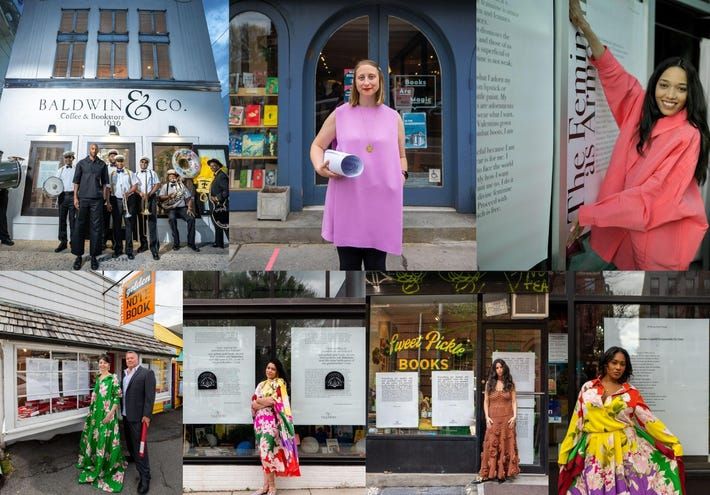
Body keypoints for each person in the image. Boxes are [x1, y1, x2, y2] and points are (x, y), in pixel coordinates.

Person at [569, 0, 710, 270]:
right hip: (616, 230)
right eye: (664, 85)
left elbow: (651, 198)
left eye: (680, 89)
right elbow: (614, 73)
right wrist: (583, 25)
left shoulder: (688, 136)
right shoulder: (641, 108)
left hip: (652, 245)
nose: (670, 95)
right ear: (654, 84)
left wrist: (591, 214)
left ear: (690, 94)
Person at [310, 59, 407, 270]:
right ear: (354, 83)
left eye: (371, 77)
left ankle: (374, 301)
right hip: (348, 197)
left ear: (380, 81)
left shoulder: (393, 118)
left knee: (377, 266)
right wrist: (320, 166)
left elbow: (401, 155)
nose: (366, 82)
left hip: (382, 200)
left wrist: (402, 176)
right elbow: (317, 145)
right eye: (360, 77)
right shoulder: (340, 114)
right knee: (348, 265)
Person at [558, 346, 685, 495]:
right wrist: (564, 454)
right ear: (606, 364)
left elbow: (650, 421)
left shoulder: (631, 393)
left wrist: (673, 442)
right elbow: (576, 423)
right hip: (595, 451)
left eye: (622, 364)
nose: (618, 367)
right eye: (614, 362)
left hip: (625, 452)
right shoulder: (588, 388)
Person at [76, 354, 127, 492]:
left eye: (104, 363)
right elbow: (95, 397)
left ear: (109, 365)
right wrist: (92, 412)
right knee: (96, 437)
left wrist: (110, 414)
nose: (102, 365)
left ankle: (106, 464)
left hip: (108, 414)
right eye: (100, 363)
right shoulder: (98, 378)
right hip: (96, 415)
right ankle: (96, 461)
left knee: (106, 438)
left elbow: (117, 397)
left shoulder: (113, 378)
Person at [251, 359, 300, 495]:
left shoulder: (279, 383)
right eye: (268, 368)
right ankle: (265, 486)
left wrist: (259, 401)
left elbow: (275, 401)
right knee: (264, 454)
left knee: (267, 452)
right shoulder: (261, 384)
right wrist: (263, 402)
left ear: (277, 371)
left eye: (273, 369)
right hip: (259, 424)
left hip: (271, 423)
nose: (269, 371)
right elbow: (253, 404)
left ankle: (272, 487)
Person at [472, 359, 520, 484]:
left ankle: (503, 473)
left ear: (504, 368)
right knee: (491, 445)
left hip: (507, 419)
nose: (499, 370)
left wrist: (514, 416)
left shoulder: (510, 383)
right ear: (494, 370)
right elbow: (486, 401)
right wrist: (487, 417)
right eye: (497, 368)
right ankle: (487, 473)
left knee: (506, 445)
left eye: (501, 367)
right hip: (493, 419)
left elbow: (514, 401)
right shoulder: (489, 383)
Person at [121, 351, 156, 495]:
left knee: (140, 446)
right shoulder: (124, 374)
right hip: (125, 415)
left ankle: (145, 477)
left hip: (138, 417)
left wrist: (147, 415)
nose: (129, 360)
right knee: (129, 442)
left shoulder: (146, 373)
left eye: (132, 358)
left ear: (137, 359)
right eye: (127, 358)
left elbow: (150, 396)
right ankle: (133, 457)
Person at [72, 143, 110, 271]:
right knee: (79, 226)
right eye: (92, 148)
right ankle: (78, 256)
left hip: (97, 200)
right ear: (90, 149)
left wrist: (104, 197)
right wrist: (75, 198)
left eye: (96, 149)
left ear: (98, 151)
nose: (94, 150)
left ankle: (94, 256)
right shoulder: (81, 163)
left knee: (96, 228)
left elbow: (105, 183)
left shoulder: (102, 165)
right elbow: (76, 182)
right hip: (83, 198)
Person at [158, 169, 200, 252]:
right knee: (172, 219)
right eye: (170, 176)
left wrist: (189, 208)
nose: (172, 178)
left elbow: (188, 198)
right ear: (168, 178)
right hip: (171, 208)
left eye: (174, 176)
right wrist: (168, 196)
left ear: (176, 177)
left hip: (182, 208)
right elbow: (160, 197)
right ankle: (176, 244)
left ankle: (191, 243)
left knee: (191, 219)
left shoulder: (182, 186)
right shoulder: (165, 186)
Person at [108, 155, 138, 259]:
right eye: (118, 161)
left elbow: (135, 186)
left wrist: (128, 192)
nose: (120, 163)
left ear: (123, 162)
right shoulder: (111, 174)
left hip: (129, 200)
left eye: (121, 161)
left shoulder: (130, 173)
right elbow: (108, 189)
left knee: (129, 226)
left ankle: (129, 251)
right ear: (115, 162)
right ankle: (117, 249)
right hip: (116, 201)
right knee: (116, 226)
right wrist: (108, 202)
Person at [136, 156, 161, 260]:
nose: (143, 164)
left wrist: (149, 193)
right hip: (139, 198)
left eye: (145, 162)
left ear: (147, 164)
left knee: (152, 223)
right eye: (142, 162)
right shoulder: (136, 174)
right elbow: (133, 186)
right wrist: (140, 193)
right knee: (141, 223)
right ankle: (143, 244)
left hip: (151, 198)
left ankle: (154, 249)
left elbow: (158, 184)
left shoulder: (152, 173)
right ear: (139, 163)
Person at [54, 150, 77, 252]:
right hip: (62, 196)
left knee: (73, 221)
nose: (68, 159)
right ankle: (63, 242)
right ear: (64, 159)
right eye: (66, 157)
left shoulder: (77, 170)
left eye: (70, 157)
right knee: (62, 220)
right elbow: (55, 183)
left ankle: (73, 242)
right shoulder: (60, 170)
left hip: (73, 196)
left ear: (73, 159)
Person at [207, 158, 229, 248]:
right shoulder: (217, 175)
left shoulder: (221, 176)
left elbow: (226, 190)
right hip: (215, 204)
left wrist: (217, 198)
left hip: (220, 204)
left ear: (218, 166)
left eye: (214, 166)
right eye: (211, 166)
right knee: (217, 223)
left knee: (224, 224)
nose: (212, 167)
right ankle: (218, 242)